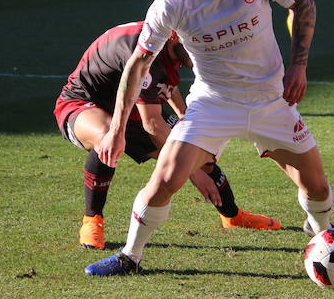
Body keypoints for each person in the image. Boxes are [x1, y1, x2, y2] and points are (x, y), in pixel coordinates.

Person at [85, 0, 334, 276]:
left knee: (316, 185)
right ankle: (130, 255)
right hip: (213, 103)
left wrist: (299, 64)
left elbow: (304, 3)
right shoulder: (173, 1)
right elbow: (138, 64)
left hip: (270, 101)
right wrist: (118, 129)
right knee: (166, 177)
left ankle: (323, 233)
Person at [55, 21, 281, 250]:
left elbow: (166, 86)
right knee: (108, 136)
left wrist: (186, 120)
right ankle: (92, 221)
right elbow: (152, 123)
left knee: (197, 148)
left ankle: (233, 217)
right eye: (194, 43)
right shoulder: (146, 49)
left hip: (134, 107)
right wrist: (191, 171)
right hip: (83, 104)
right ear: (175, 36)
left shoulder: (168, 45)